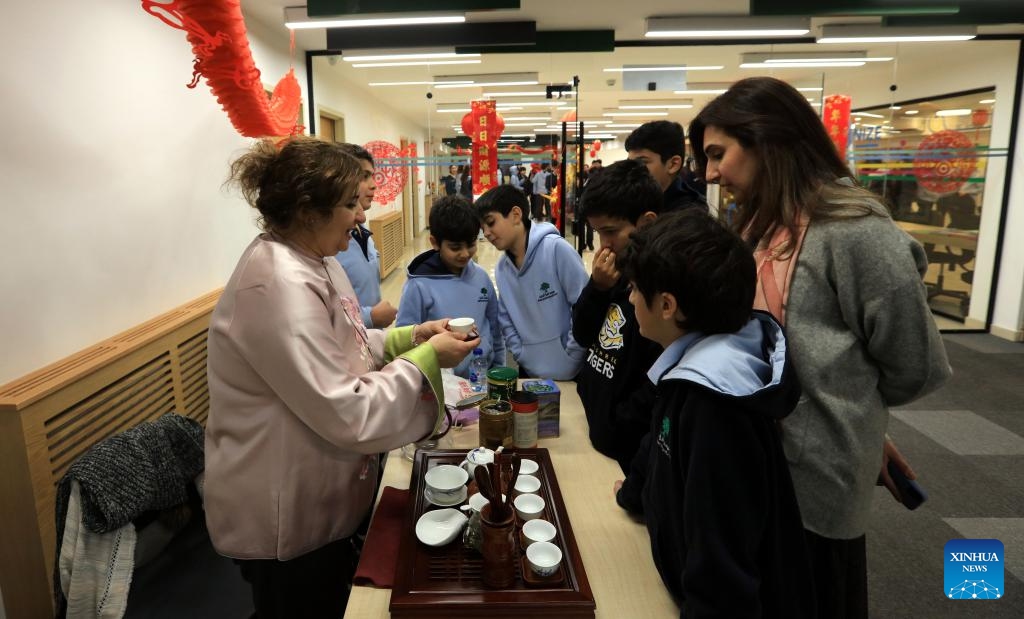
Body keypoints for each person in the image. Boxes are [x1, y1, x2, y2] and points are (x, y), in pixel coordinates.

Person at [689, 76, 952, 619]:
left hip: (816, 483)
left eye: (718, 154)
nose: (709, 173)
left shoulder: (855, 231)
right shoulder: (763, 226)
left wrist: (855, 414)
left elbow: (915, 364)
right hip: (762, 462)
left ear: (766, 139)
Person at [205, 136, 479, 618]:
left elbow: (346, 345)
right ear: (309, 211)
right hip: (282, 507)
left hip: (319, 485)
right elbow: (346, 406)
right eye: (351, 203)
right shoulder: (278, 285)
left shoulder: (317, 261)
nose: (361, 215)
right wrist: (429, 358)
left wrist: (409, 338)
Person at [613, 209, 815, 618]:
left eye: (635, 289)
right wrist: (634, 493)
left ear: (668, 305)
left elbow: (723, 568)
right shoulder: (691, 366)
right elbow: (659, 442)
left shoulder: (715, 407)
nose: (631, 298)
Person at [572, 159, 667, 473]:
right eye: (598, 232)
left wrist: (617, 423)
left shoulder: (662, 285)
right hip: (592, 429)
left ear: (646, 222)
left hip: (625, 450)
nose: (603, 244)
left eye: (611, 231)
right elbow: (584, 335)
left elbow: (659, 378)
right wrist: (597, 288)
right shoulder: (614, 271)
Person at [475, 184, 588, 380]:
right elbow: (506, 318)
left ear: (516, 215)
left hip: (574, 373)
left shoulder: (556, 250)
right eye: (482, 228)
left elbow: (584, 307)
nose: (486, 233)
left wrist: (572, 355)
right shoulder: (502, 268)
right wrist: (521, 354)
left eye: (490, 223)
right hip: (529, 371)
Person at [396, 195, 504, 379]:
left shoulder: (481, 278)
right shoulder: (419, 285)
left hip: (481, 375)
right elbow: (405, 338)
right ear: (435, 243)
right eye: (455, 247)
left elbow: (495, 327)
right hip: (440, 383)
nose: (464, 253)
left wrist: (499, 365)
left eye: (470, 245)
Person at [334, 143, 397, 328]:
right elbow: (325, 316)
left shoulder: (362, 231)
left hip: (371, 343)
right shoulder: (328, 243)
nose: (374, 185)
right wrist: (370, 317)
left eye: (372, 175)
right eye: (364, 176)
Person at [625, 120, 706, 212]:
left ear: (673, 164)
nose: (631, 169)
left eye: (642, 162)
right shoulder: (634, 200)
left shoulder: (690, 216)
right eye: (630, 163)